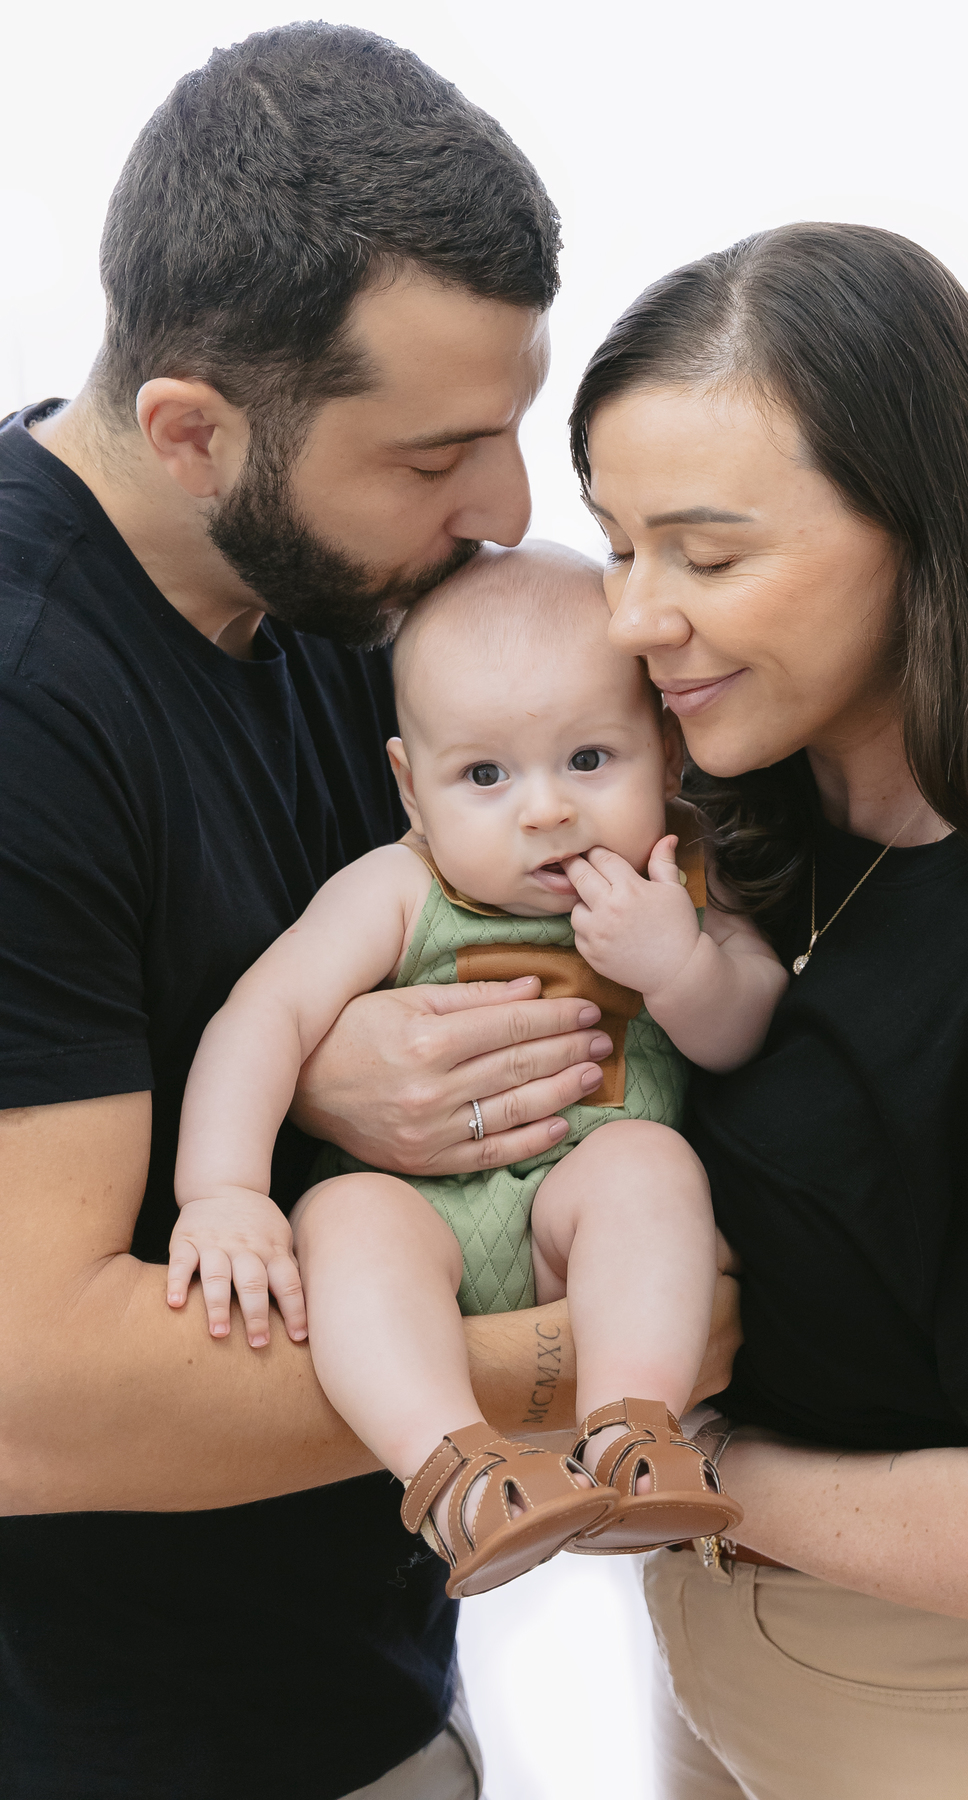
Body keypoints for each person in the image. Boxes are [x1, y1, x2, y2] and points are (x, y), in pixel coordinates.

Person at [0, 26, 737, 1800]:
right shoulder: (27, 703)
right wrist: (621, 1365)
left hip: (359, 1670)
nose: (502, 514)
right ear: (192, 429)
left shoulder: (336, 600)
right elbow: (25, 1395)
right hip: (123, 1745)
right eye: (436, 456)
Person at [568, 221, 968, 1798]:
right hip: (752, 1668)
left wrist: (679, 1461)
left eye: (707, 558)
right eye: (615, 542)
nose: (638, 616)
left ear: (921, 532)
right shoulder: (767, 824)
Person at [170, 542, 780, 1594]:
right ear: (412, 787)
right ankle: (454, 1471)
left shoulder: (676, 879)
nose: (543, 810)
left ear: (667, 756)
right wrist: (221, 1191)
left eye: (590, 760)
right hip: (421, 1233)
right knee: (349, 1219)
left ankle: (632, 1433)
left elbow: (746, 1026)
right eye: (485, 775)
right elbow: (262, 1015)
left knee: (647, 1166)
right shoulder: (397, 889)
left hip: (573, 1234)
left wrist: (678, 963)